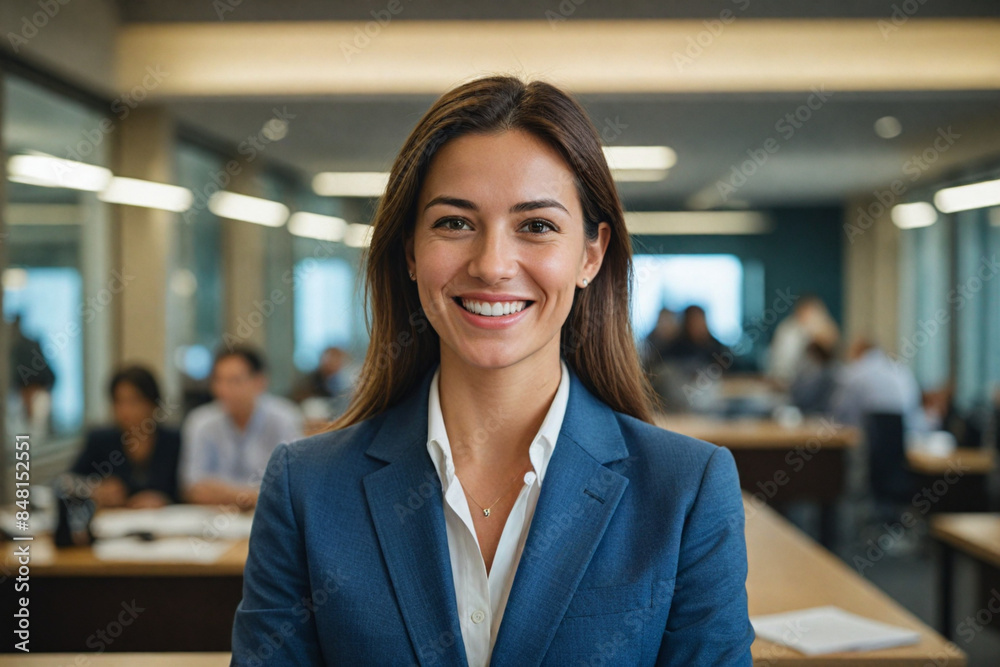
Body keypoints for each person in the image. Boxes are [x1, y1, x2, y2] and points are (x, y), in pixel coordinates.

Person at [231, 75, 754, 666]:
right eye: (455, 223)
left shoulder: (685, 489)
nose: (492, 265)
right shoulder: (307, 489)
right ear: (409, 250)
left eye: (536, 226)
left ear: (590, 254)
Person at [179, 346, 303, 510]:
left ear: (260, 382)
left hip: (269, 518)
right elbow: (193, 488)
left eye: (234, 381)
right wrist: (253, 496)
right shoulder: (201, 422)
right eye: (218, 380)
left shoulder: (284, 419)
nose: (224, 389)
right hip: (213, 519)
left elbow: (294, 487)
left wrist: (221, 492)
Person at [69, 365, 181, 508]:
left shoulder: (174, 441)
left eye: (134, 401)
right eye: (119, 401)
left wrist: (165, 501)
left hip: (166, 523)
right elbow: (67, 482)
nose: (126, 411)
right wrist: (94, 489)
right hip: (112, 522)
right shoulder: (101, 440)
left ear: (153, 404)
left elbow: (186, 489)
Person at [766, 294, 840, 387]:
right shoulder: (788, 330)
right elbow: (782, 366)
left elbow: (832, 348)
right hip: (788, 384)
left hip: (813, 384)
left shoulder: (822, 327)